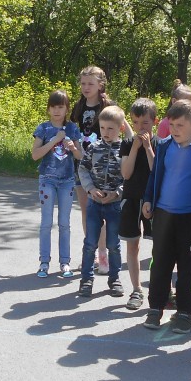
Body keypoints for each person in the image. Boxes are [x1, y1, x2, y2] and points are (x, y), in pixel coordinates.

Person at [140, 101, 191, 333]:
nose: (174, 130)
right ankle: (155, 308)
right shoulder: (165, 145)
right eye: (172, 125)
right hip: (163, 214)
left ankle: (185, 312)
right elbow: (154, 174)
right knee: (160, 263)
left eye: (180, 125)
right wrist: (148, 199)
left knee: (188, 267)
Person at [31, 90, 84, 278]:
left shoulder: (72, 128)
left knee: (64, 223)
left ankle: (65, 262)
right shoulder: (43, 129)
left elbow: (80, 155)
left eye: (60, 107)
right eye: (53, 107)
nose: (56, 111)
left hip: (67, 181)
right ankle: (44, 262)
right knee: (46, 222)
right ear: (48, 109)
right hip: (47, 179)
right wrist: (55, 140)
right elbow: (35, 154)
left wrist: (73, 148)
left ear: (67, 109)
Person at [77, 105, 128, 298]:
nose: (106, 132)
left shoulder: (125, 150)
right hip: (94, 203)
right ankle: (86, 280)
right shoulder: (93, 147)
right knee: (90, 243)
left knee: (113, 244)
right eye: (103, 128)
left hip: (114, 204)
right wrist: (90, 189)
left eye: (111, 128)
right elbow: (83, 169)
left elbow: (129, 177)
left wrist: (117, 193)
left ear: (120, 128)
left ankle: (114, 279)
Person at [70, 66, 116, 274]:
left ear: (100, 85)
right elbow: (73, 133)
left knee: (102, 212)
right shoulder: (78, 107)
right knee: (87, 211)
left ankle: (103, 254)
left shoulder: (108, 107)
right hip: (81, 166)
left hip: (103, 168)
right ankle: (91, 253)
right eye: (83, 83)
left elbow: (120, 130)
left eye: (90, 83)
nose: (86, 87)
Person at [119, 98, 157, 309]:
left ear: (154, 122)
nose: (140, 128)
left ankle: (160, 288)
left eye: (145, 123)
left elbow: (156, 171)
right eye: (135, 123)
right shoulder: (127, 143)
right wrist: (135, 147)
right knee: (132, 245)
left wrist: (148, 147)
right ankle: (136, 289)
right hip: (131, 199)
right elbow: (126, 173)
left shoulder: (160, 143)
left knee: (160, 246)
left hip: (153, 200)